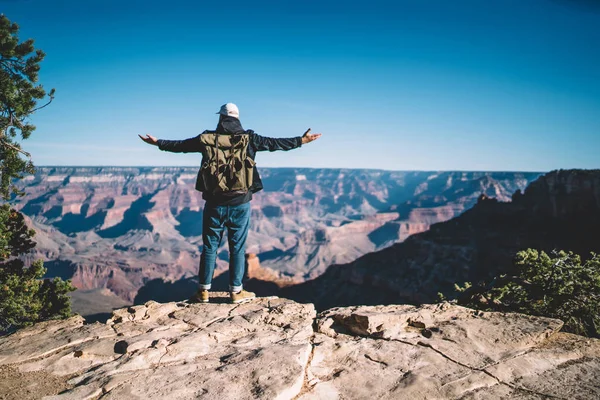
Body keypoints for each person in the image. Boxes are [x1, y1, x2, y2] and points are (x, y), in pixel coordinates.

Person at [139, 103, 321, 304]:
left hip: (214, 203)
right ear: (238, 118)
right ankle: (236, 292)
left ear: (221, 118)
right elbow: (274, 143)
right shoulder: (249, 139)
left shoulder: (206, 139)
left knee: (210, 246)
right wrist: (301, 140)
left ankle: (203, 292)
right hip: (240, 203)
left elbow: (181, 146)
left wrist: (158, 143)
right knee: (237, 248)